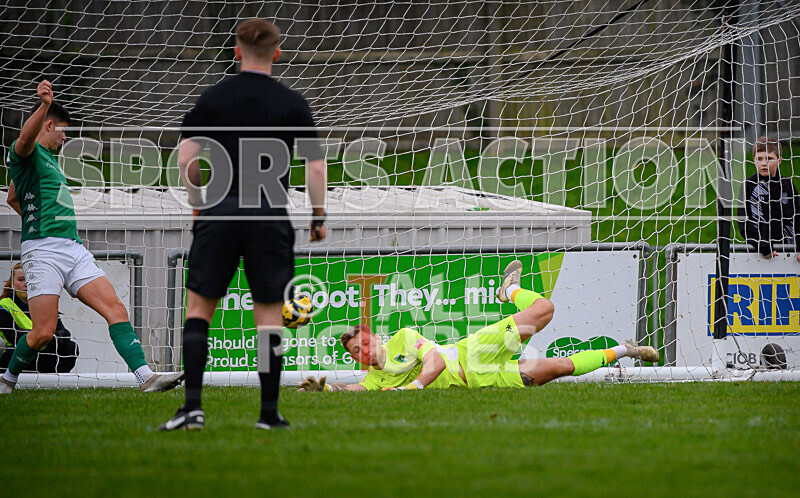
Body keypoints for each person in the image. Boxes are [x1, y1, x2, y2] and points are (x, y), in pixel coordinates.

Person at [159, 19, 327, 431]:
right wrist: (318, 215)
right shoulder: (293, 103)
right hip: (269, 216)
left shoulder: (213, 98)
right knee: (269, 316)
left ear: (236, 52)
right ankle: (269, 413)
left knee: (199, 309)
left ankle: (193, 409)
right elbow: (316, 165)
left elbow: (186, 160)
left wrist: (198, 203)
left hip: (220, 212)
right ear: (277, 53)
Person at [1, 81, 184, 393]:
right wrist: (44, 104)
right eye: (63, 131)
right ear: (48, 124)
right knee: (43, 332)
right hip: (43, 251)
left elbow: (13, 198)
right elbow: (22, 140)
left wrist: (34, 216)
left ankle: (145, 377)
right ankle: (7, 381)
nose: (64, 138)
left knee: (116, 309)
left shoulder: (45, 161)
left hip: (72, 248)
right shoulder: (27, 152)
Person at [299, 260, 659, 392]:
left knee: (544, 308)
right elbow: (358, 391)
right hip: (488, 380)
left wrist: (414, 388)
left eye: (363, 343)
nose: (363, 352)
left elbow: (436, 364)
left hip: (476, 351)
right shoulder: (375, 379)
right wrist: (325, 390)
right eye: (356, 353)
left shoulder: (405, 338)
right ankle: (627, 350)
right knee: (561, 367)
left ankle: (511, 289)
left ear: (376, 337)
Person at [1, 263, 79, 373]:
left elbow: (64, 333)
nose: (26, 284)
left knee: (71, 347)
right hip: (15, 354)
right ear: (12, 284)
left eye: (30, 279)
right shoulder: (4, 305)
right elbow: (14, 337)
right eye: (21, 279)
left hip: (43, 351)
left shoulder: (46, 304)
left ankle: (55, 379)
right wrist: (42, 337)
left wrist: (46, 338)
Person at [738, 136, 800, 262]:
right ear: (754, 160)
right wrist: (763, 246)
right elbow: (743, 222)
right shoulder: (748, 186)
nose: (764, 163)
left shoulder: (787, 185)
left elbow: (798, 216)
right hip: (760, 254)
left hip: (790, 252)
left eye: (769, 158)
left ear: (780, 160)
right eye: (759, 159)